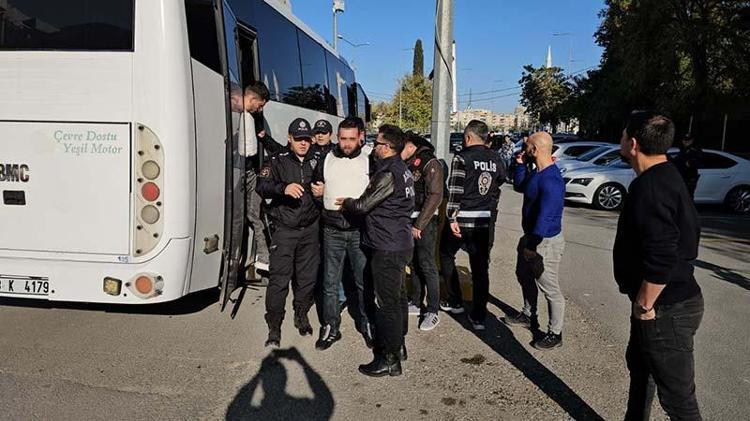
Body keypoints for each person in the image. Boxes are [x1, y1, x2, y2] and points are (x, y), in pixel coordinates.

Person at [614, 111, 703, 420]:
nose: (620, 140)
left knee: (678, 399)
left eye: (623, 135)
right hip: (660, 302)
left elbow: (664, 254)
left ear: (633, 144)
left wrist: (644, 304)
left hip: (665, 307)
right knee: (641, 370)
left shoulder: (651, 187)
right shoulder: (667, 174)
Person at [338, 124, 414, 377]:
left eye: (377, 143)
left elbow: (362, 205)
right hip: (399, 242)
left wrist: (346, 202)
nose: (374, 147)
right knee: (398, 298)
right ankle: (398, 346)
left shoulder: (388, 173)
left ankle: (389, 359)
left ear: (387, 147)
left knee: (387, 304)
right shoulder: (402, 169)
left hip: (387, 246)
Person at [256, 118, 322, 348]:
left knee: (307, 279)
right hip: (285, 230)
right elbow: (261, 185)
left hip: (310, 230)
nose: (303, 143)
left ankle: (301, 315)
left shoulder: (318, 159)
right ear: (289, 138)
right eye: (298, 139)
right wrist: (283, 188)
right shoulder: (277, 160)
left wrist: (324, 189)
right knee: (279, 281)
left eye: (306, 139)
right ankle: (274, 327)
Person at [310, 117, 373, 350]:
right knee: (329, 283)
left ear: (360, 137)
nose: (346, 144)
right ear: (337, 137)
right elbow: (315, 186)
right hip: (332, 230)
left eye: (351, 139)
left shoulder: (370, 159)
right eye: (343, 138)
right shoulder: (326, 158)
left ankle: (368, 325)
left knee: (364, 282)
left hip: (359, 230)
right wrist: (321, 195)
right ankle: (330, 327)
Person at [439, 120, 505, 331]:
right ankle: (479, 316)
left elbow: (455, 190)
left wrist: (451, 218)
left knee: (446, 255)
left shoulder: (462, 157)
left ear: (468, 137)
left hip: (461, 220)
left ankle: (455, 300)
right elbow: (501, 180)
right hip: (483, 220)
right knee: (480, 268)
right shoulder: (496, 158)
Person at [503, 132, 566, 350]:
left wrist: (532, 246)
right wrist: (520, 164)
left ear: (536, 150)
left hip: (544, 242)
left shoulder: (551, 180)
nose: (524, 149)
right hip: (530, 237)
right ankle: (529, 315)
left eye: (527, 146)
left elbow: (548, 217)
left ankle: (555, 333)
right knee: (523, 275)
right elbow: (521, 186)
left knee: (549, 287)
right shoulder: (537, 172)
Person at [401, 133, 444, 331]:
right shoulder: (409, 163)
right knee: (414, 263)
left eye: (402, 146)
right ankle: (417, 301)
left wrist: (419, 224)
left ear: (411, 146)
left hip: (424, 222)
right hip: (410, 219)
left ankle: (433, 310)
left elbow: (435, 195)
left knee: (427, 264)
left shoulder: (430, 162)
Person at [672, 133, 702, 199]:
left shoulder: (695, 151)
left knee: (687, 198)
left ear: (692, 140)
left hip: (689, 179)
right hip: (680, 178)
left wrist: (687, 162)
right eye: (684, 140)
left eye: (688, 140)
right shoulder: (682, 150)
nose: (686, 141)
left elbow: (693, 163)